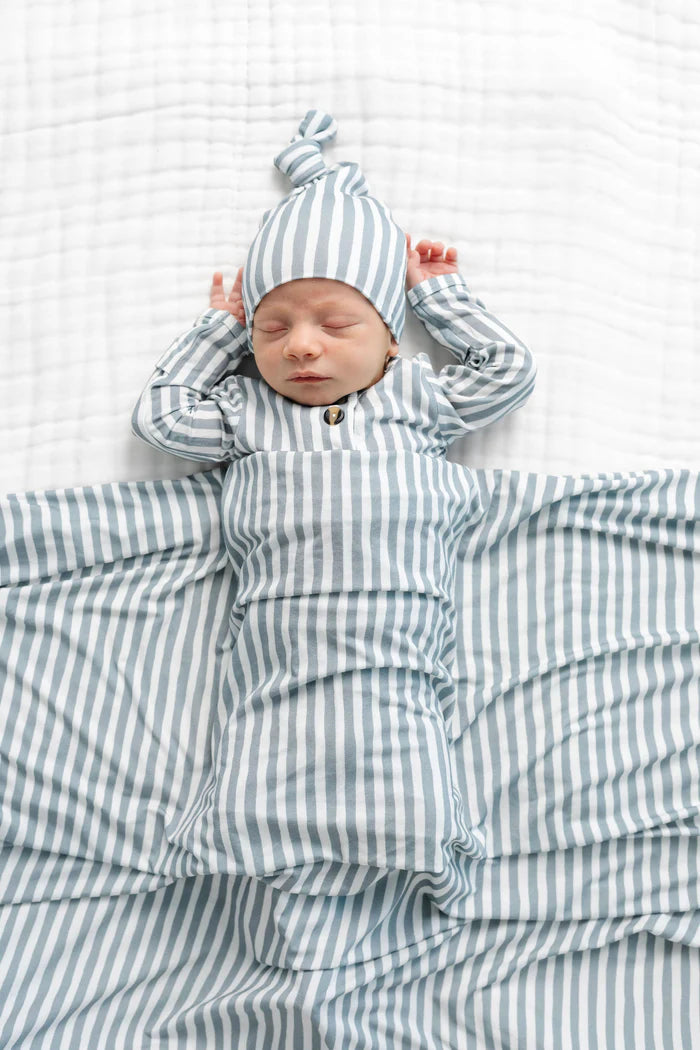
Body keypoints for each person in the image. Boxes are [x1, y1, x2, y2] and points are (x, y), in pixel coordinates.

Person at [130, 110, 537, 902]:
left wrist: (439, 297)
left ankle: (421, 852)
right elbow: (162, 420)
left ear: (391, 339)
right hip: (279, 647)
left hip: (397, 642)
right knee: (260, 753)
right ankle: (240, 870)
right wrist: (218, 332)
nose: (301, 345)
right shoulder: (245, 412)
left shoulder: (417, 398)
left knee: (406, 755)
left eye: (336, 323)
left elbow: (507, 370)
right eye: (271, 328)